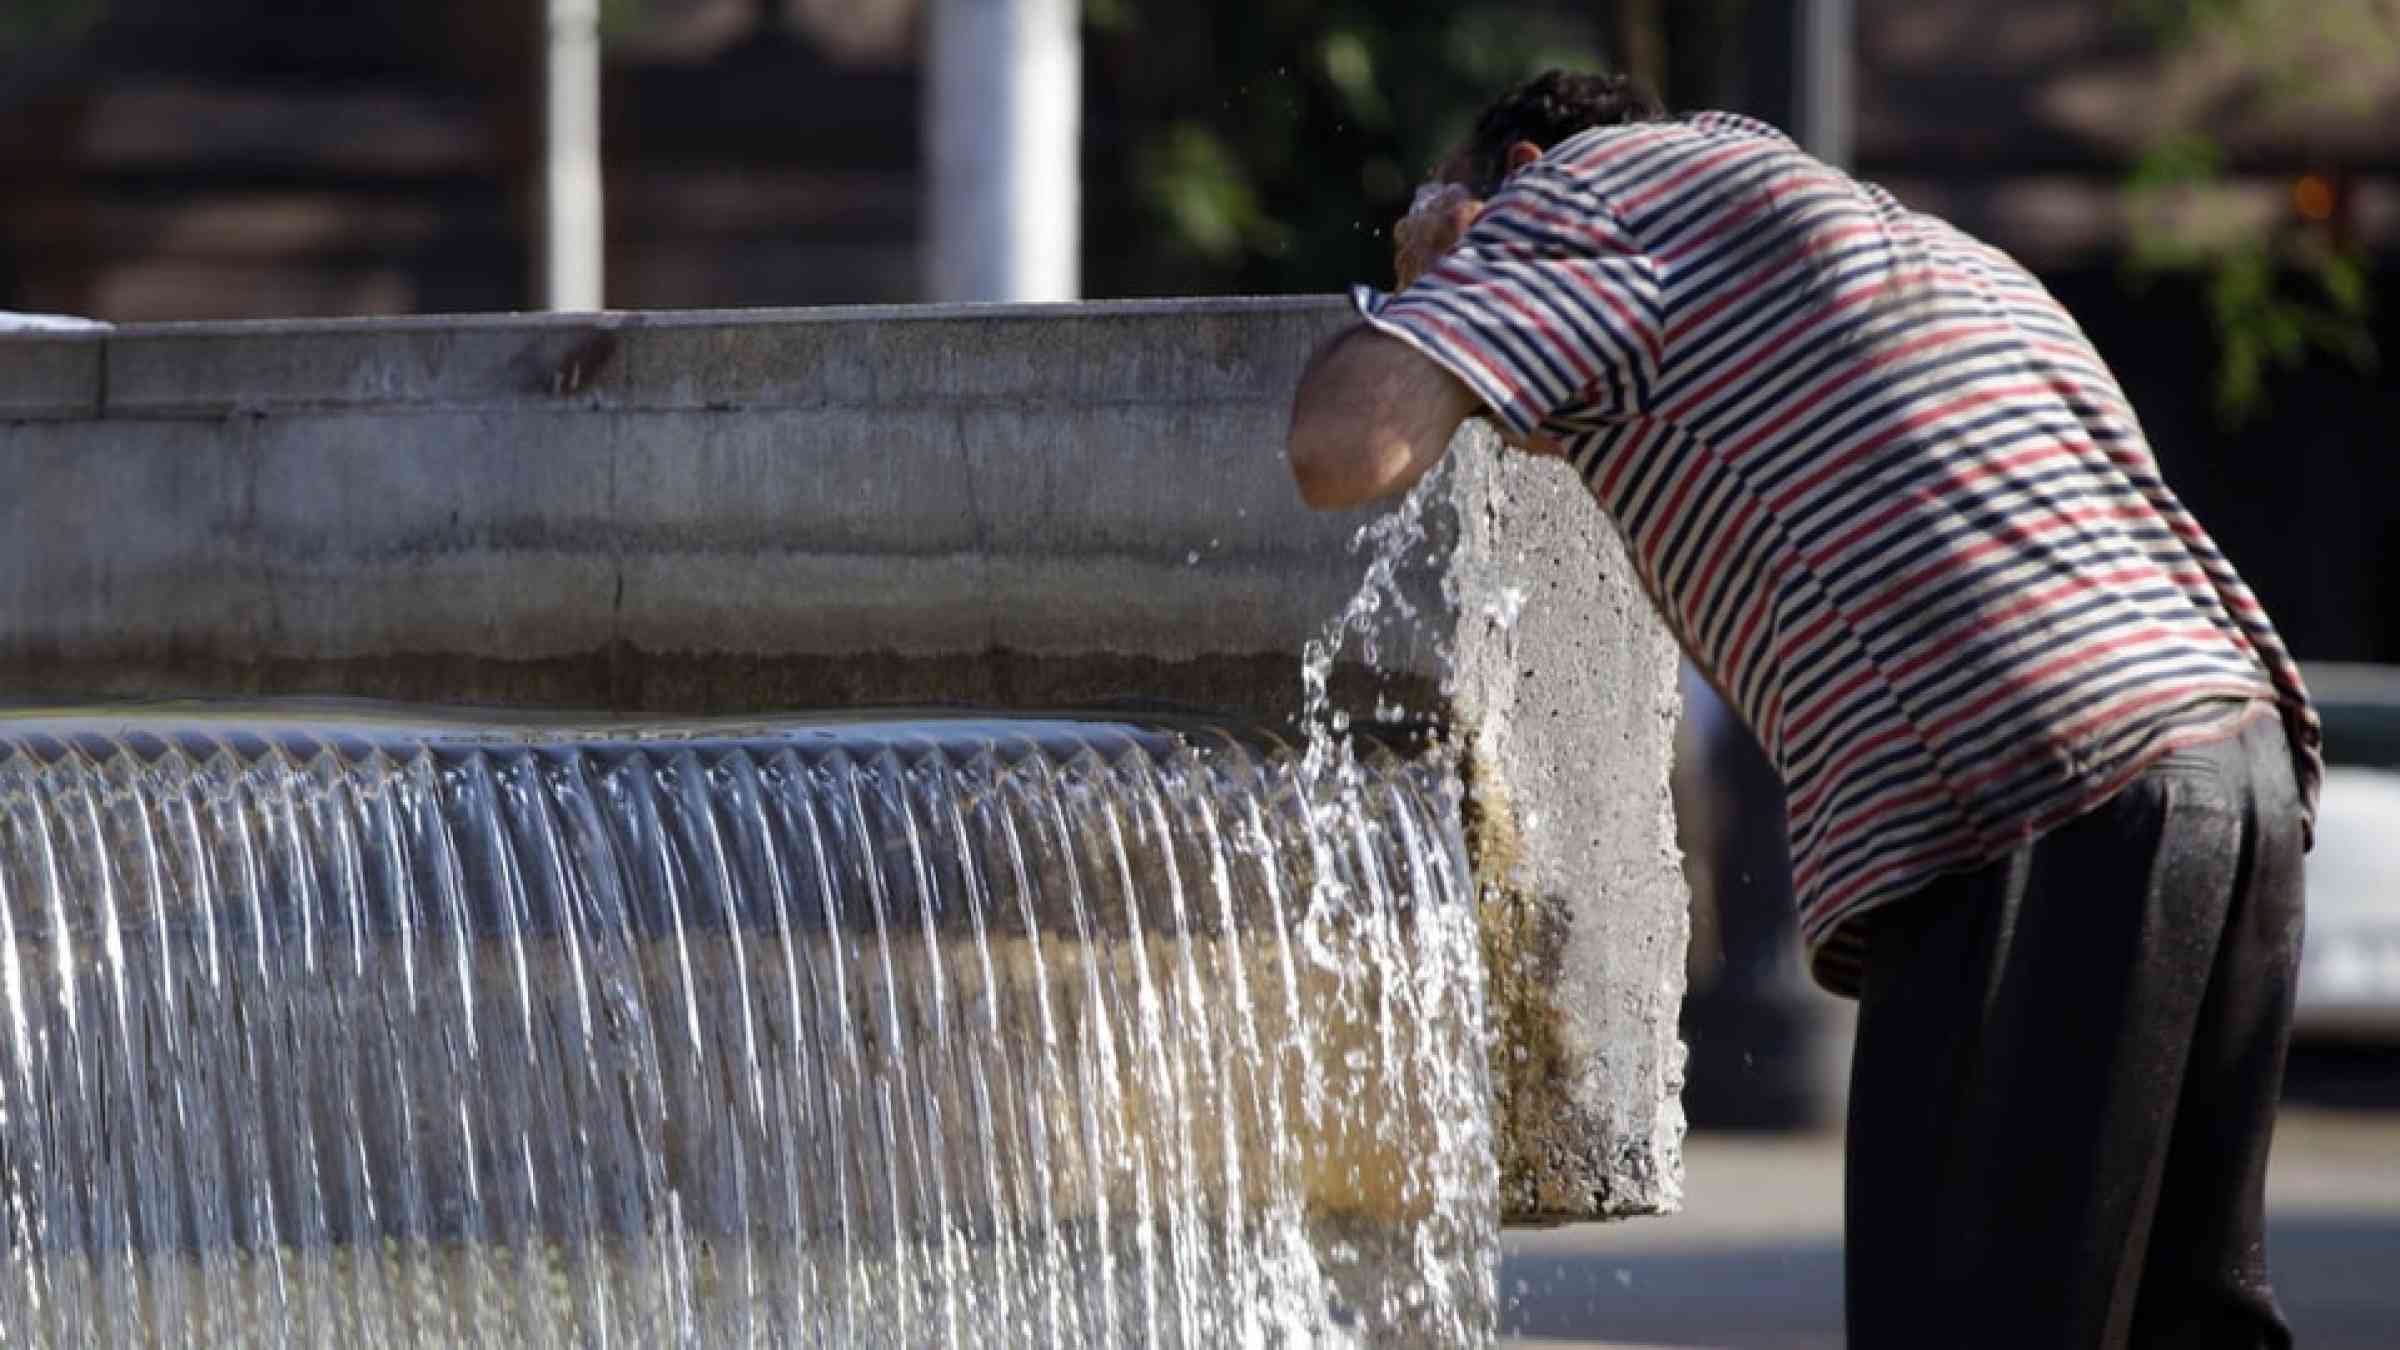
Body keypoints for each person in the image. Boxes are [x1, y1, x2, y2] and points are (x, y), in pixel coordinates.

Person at [1286, 70, 2320, 1350]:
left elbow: (1344, 450)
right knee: (2188, 1325)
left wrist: (1445, 270)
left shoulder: (1578, 201)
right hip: (2240, 767)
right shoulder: (1869, 234)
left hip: (2027, 789)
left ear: (1528, 165)